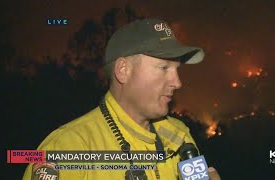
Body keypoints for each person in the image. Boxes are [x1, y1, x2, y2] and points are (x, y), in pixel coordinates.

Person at [23, 18, 216, 180]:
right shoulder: (66, 147)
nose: (177, 82)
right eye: (164, 68)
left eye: (177, 70)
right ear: (123, 70)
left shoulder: (180, 136)